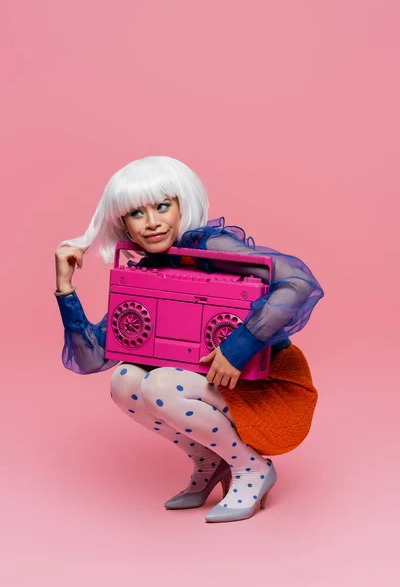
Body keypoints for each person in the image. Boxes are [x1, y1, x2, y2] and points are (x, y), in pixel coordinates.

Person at [54, 156, 324, 523]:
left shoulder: (210, 246)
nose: (151, 223)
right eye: (136, 213)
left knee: (161, 383)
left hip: (268, 386)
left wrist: (237, 347)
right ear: (125, 226)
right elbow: (91, 358)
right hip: (209, 386)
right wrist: (66, 288)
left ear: (182, 204)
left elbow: (298, 283)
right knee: (125, 380)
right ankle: (209, 459)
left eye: (162, 206)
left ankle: (252, 468)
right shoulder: (146, 272)